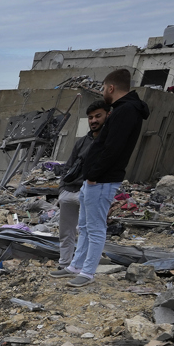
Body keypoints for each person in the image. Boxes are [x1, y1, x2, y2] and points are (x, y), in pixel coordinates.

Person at [62, 69, 150, 288]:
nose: (102, 92)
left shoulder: (126, 111)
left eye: (103, 88)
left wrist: (94, 174)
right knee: (84, 226)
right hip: (95, 180)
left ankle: (88, 272)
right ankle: (76, 266)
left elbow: (113, 148)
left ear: (111, 88)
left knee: (95, 227)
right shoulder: (122, 109)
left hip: (101, 180)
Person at [49, 101, 109, 276]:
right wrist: (62, 189)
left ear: (108, 115)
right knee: (66, 232)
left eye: (98, 116)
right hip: (69, 191)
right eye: (90, 117)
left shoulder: (109, 141)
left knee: (88, 232)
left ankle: (84, 269)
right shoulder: (82, 142)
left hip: (90, 190)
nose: (94, 120)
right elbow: (68, 165)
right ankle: (66, 265)